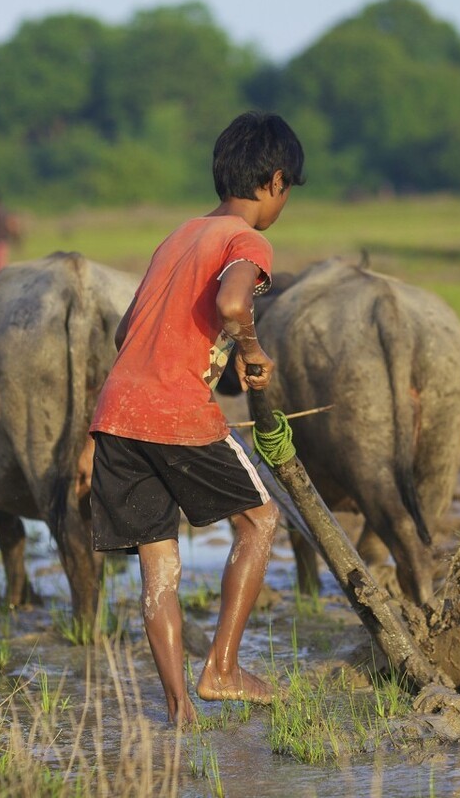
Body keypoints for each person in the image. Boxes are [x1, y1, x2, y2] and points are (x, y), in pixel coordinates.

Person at [89, 111, 305, 725]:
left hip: (116, 414)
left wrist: (215, 349)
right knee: (259, 521)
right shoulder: (247, 239)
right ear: (275, 182)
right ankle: (223, 668)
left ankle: (180, 708)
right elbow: (233, 300)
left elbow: (128, 330)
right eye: (287, 194)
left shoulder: (180, 235)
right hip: (175, 410)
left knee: (160, 567)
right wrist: (252, 347)